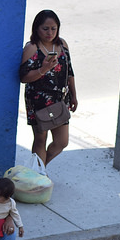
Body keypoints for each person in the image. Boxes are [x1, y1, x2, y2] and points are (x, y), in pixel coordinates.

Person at [19, 10, 78, 169]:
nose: (50, 33)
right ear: (36, 28)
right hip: (38, 100)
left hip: (60, 99)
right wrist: (43, 69)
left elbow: (69, 72)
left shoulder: (62, 45)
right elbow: (23, 77)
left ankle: (38, 170)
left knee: (62, 141)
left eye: (53, 28)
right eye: (45, 29)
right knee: (40, 139)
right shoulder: (32, 48)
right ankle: (38, 174)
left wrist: (74, 95)